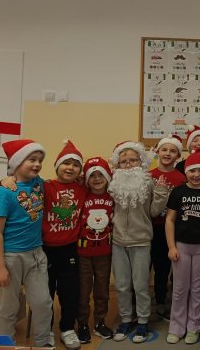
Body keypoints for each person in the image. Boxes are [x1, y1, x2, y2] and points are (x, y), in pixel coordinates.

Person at [0, 139, 53, 347]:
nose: (37, 164)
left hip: (36, 254)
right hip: (11, 257)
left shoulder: (39, 183)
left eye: (40, 160)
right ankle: (4, 345)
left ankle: (43, 343)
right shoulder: (5, 193)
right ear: (17, 162)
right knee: (8, 307)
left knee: (43, 302)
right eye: (31, 159)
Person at [108, 141, 169, 343]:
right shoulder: (113, 183)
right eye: (123, 161)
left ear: (141, 161)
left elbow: (154, 211)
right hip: (118, 241)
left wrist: (161, 194)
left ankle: (143, 321)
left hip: (141, 240)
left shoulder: (148, 182)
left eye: (133, 160)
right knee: (122, 284)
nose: (128, 164)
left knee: (141, 284)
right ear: (118, 164)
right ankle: (126, 319)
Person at [165, 151, 200, 345]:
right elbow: (170, 220)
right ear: (186, 172)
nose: (196, 174)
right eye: (192, 171)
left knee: (198, 288)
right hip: (181, 246)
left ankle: (194, 327)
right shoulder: (178, 192)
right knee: (180, 288)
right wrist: (171, 246)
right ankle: (176, 327)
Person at [42, 140, 87, 349]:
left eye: (76, 165)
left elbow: (104, 178)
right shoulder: (45, 186)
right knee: (46, 293)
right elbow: (21, 183)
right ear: (57, 165)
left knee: (70, 292)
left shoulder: (83, 189)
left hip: (70, 249)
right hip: (45, 249)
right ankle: (46, 330)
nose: (70, 168)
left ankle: (67, 328)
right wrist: (7, 179)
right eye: (66, 163)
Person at [76, 157, 115, 342]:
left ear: (108, 176)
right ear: (86, 178)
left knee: (102, 291)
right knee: (83, 291)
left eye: (101, 174)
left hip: (104, 253)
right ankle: (82, 323)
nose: (97, 179)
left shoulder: (113, 196)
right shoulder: (81, 193)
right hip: (83, 253)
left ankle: (100, 322)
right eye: (92, 175)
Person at [149, 134, 186, 321]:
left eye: (172, 151)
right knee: (147, 267)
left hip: (171, 230)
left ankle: (162, 301)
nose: (167, 154)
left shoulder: (182, 179)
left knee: (164, 268)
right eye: (164, 150)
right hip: (150, 229)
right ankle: (141, 302)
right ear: (158, 152)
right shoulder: (149, 176)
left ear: (178, 155)